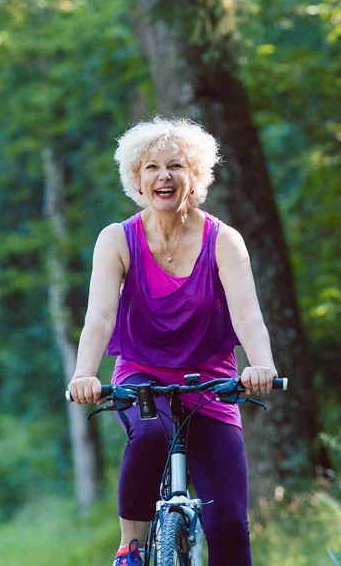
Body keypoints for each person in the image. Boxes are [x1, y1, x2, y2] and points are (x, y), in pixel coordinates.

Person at [66, 116, 279, 566]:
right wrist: (85, 373)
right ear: (137, 180)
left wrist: (261, 365)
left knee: (228, 529)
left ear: (195, 177)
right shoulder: (116, 240)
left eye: (177, 166)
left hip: (211, 382)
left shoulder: (224, 241)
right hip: (142, 376)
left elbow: (247, 315)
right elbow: (100, 316)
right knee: (149, 435)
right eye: (151, 168)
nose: (164, 176)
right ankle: (131, 546)